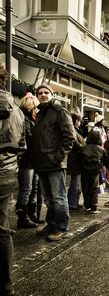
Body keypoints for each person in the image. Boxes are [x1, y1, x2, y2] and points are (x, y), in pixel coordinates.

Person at [32, 84, 75, 242]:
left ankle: (62, 228)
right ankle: (51, 224)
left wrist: (58, 157)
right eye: (40, 93)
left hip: (54, 163)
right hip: (42, 163)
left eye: (46, 92)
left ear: (52, 94)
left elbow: (69, 138)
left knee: (59, 198)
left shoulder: (59, 111)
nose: (43, 95)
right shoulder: (41, 112)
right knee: (49, 198)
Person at [0, 69, 26, 295]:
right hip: (7, 173)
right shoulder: (17, 109)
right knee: (1, 229)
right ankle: (6, 285)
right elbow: (21, 143)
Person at [16, 93, 40, 228]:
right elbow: (28, 139)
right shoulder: (25, 120)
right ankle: (23, 217)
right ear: (31, 107)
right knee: (27, 187)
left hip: (32, 159)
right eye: (36, 107)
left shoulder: (31, 119)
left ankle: (30, 214)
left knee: (33, 188)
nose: (37, 110)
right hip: (27, 159)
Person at [80, 130, 106, 214]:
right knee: (94, 188)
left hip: (84, 170)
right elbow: (106, 160)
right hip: (95, 171)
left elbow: (78, 159)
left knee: (85, 188)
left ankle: (87, 205)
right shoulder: (101, 149)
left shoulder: (83, 148)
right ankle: (93, 206)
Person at [67, 113, 85, 211]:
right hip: (74, 160)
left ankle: (73, 202)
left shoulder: (74, 130)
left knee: (75, 183)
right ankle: (72, 203)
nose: (80, 122)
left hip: (75, 160)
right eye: (79, 120)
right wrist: (84, 148)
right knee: (75, 183)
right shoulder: (73, 130)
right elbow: (75, 144)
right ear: (76, 121)